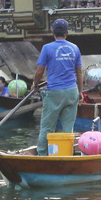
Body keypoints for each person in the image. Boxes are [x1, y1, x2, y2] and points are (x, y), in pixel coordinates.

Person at [32, 19, 83, 156]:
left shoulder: (47, 48)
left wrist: (35, 84)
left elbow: (39, 71)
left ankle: (42, 155)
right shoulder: (75, 48)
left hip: (54, 92)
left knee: (47, 127)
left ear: (53, 33)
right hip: (72, 91)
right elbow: (79, 72)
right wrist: (80, 91)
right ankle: (66, 153)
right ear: (67, 33)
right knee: (68, 128)